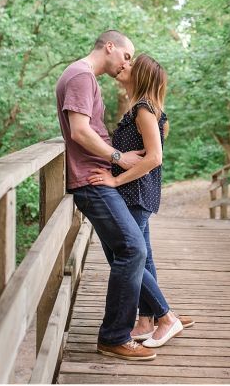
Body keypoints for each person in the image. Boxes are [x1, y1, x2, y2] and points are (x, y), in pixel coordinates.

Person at [55, 30, 156, 361]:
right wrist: (118, 157)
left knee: (131, 248)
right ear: (109, 47)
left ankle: (154, 316)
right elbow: (79, 131)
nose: (127, 63)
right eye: (126, 56)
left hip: (96, 176)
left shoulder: (84, 77)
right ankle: (114, 336)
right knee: (133, 248)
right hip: (91, 179)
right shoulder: (81, 76)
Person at [87, 54, 194, 349]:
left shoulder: (144, 109)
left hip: (134, 193)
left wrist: (115, 180)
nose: (125, 65)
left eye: (132, 64)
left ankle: (166, 317)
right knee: (141, 258)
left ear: (142, 75)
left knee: (124, 256)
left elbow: (154, 158)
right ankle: (147, 320)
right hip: (137, 193)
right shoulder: (141, 108)